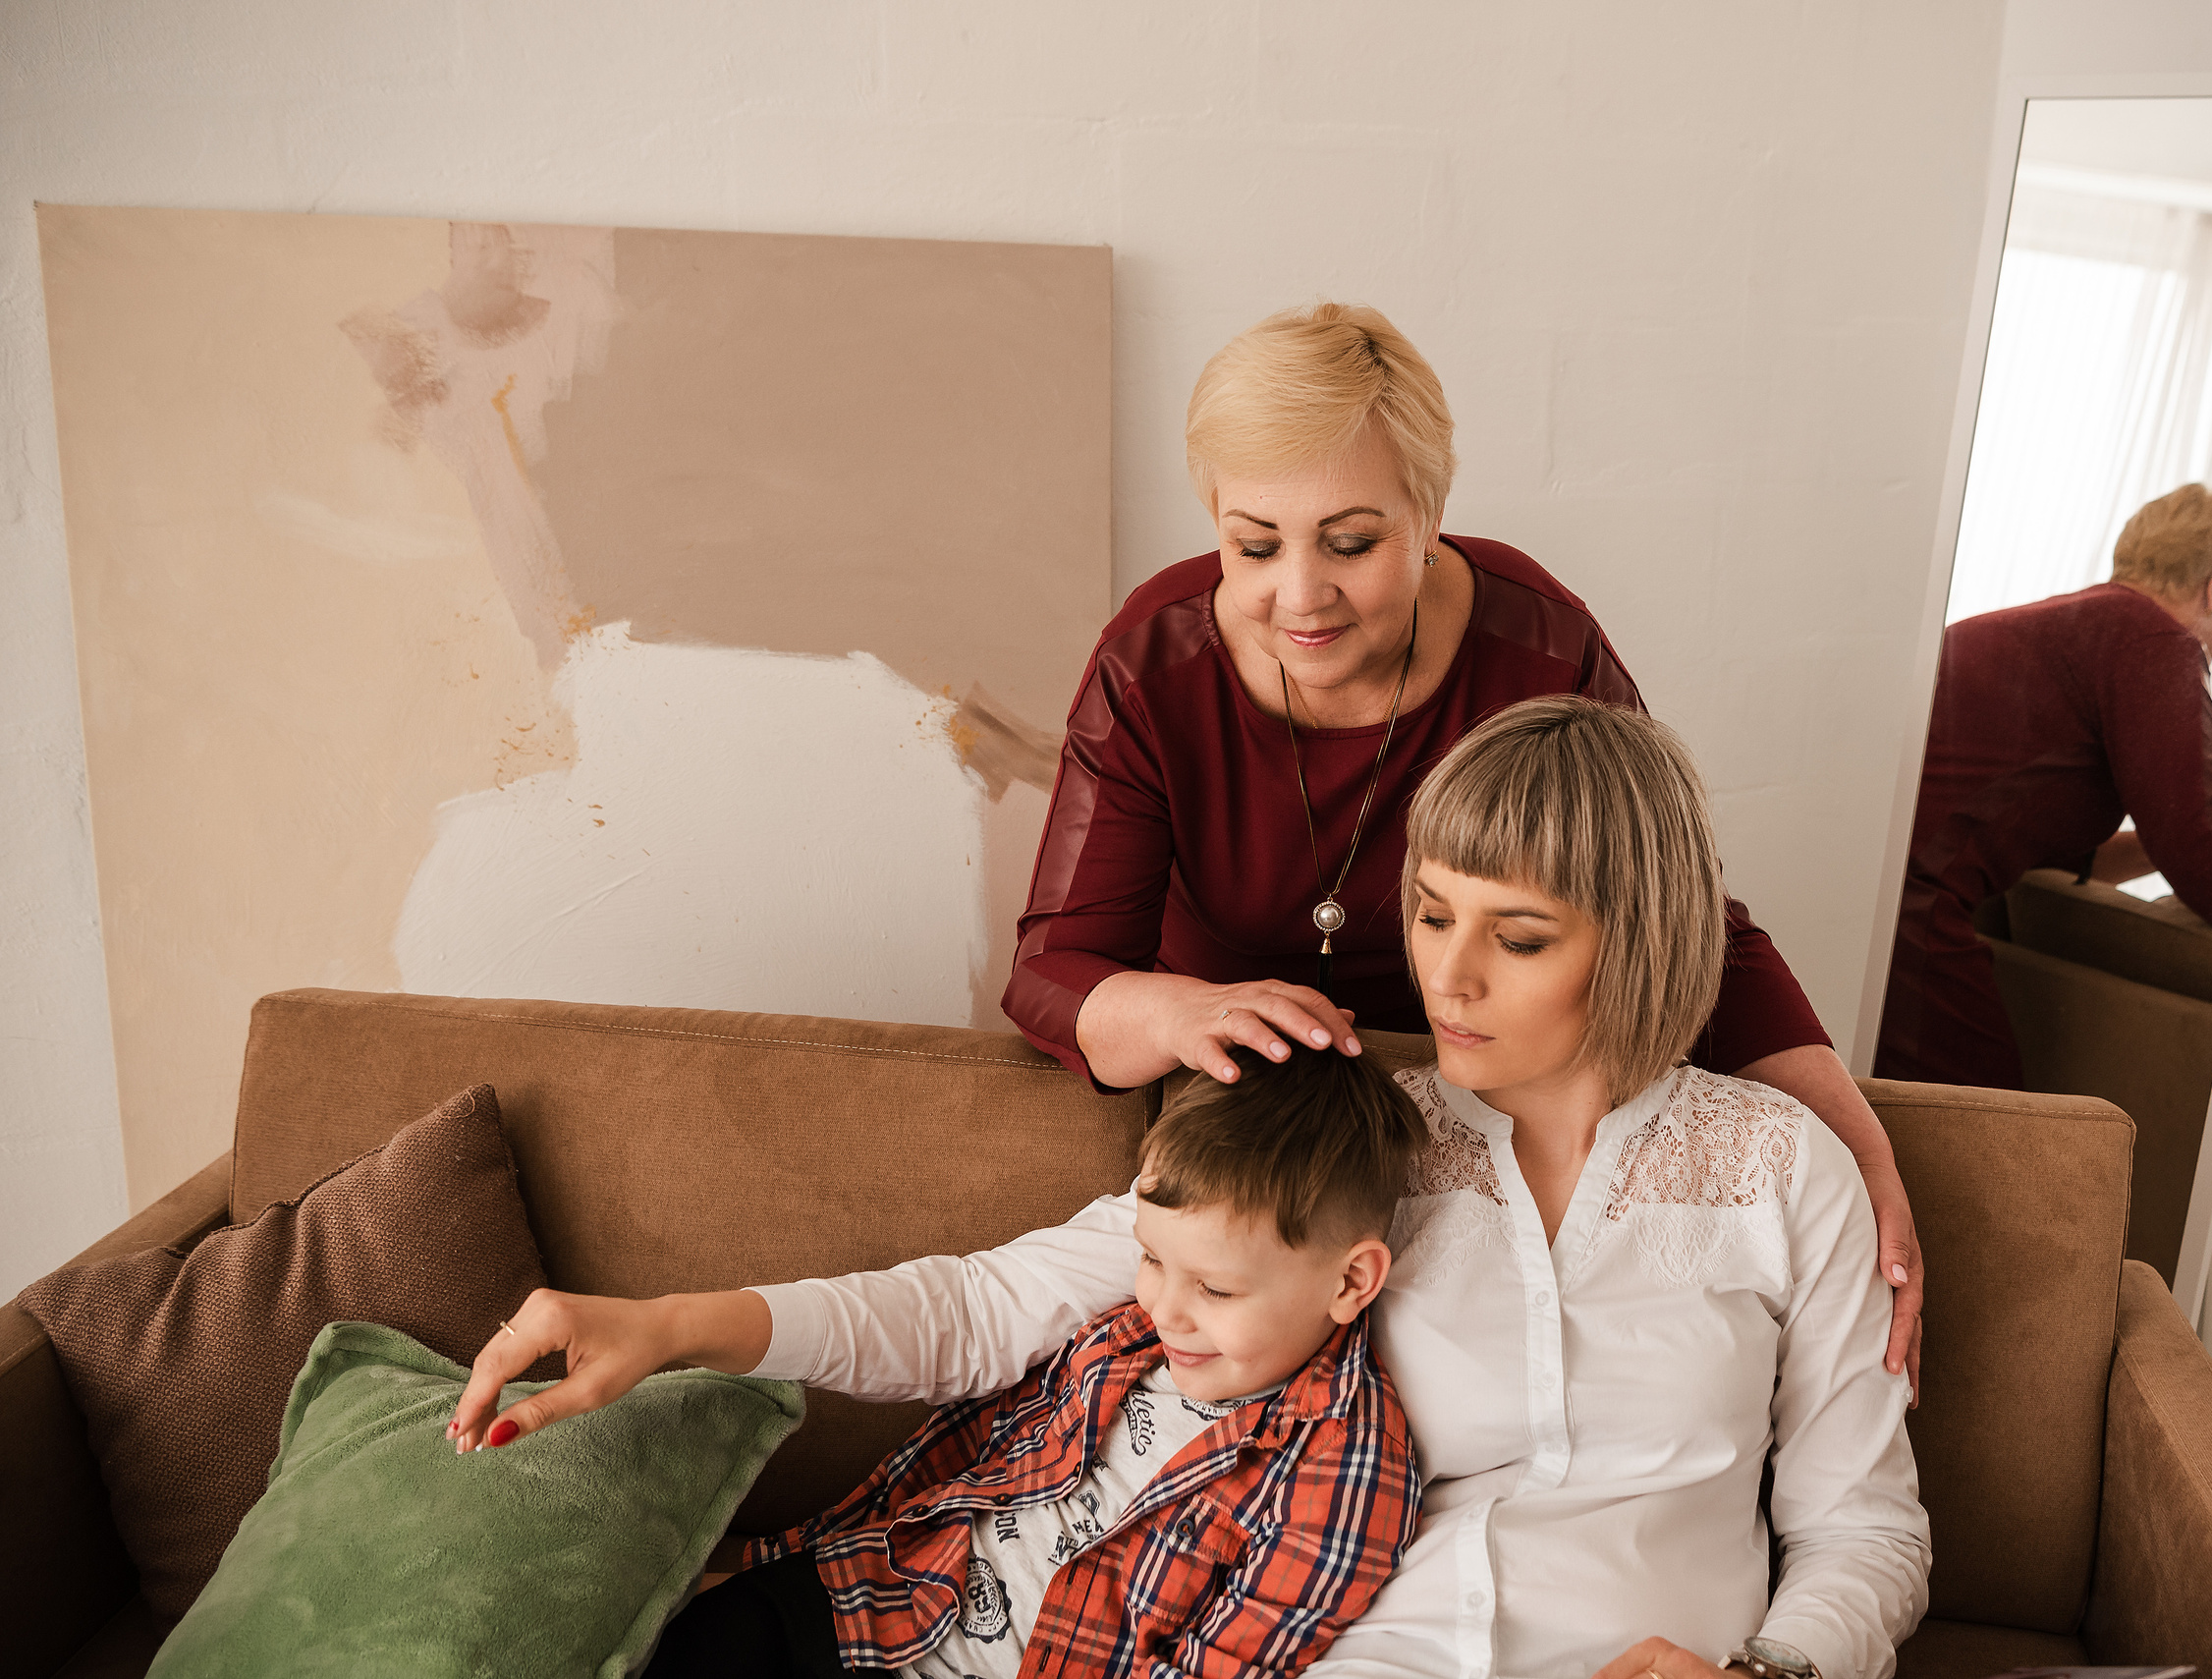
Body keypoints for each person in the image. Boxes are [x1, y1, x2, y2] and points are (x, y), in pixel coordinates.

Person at [455, 697, 1928, 1679]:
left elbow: (1867, 1529)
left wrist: (1769, 1675)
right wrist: (675, 1325)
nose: (1449, 974)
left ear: (1641, 935)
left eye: (1519, 937)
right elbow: (987, 1308)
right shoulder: (1353, 1139)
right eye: (1429, 914)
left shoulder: (1780, 1168)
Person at [1005, 302, 1921, 1383]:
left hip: (1489, 1102)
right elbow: (1051, 970)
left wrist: (1857, 1147)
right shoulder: (1152, 661)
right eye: (1253, 544)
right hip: (1264, 1111)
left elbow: (1677, 914)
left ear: (1429, 513)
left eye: (1351, 542)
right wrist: (1178, 1006)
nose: (1298, 595)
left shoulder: (1538, 646)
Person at [589, 1043, 1421, 1679]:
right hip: (868, 1605)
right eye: (1152, 1259)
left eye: (1216, 1289)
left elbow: (1222, 1662)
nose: (1165, 1307)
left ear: (1350, 1281)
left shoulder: (1345, 1471)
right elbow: (960, 1459)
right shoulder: (1127, 1335)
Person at [1877, 483, 2212, 1089]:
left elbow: (2028, 834)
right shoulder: (2157, 645)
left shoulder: (2069, 627)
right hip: (1912, 903)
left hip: (1874, 884)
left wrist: (2158, 840)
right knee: (1990, 1137)